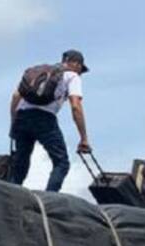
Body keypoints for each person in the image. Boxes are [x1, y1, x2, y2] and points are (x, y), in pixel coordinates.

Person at [8, 49, 91, 192]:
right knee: (61, 163)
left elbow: (16, 96)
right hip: (44, 119)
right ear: (76, 64)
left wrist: (13, 123)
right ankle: (49, 198)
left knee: (20, 164)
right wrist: (84, 138)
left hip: (22, 116)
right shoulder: (72, 76)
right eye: (81, 70)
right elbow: (76, 106)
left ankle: (8, 196)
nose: (80, 73)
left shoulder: (41, 71)